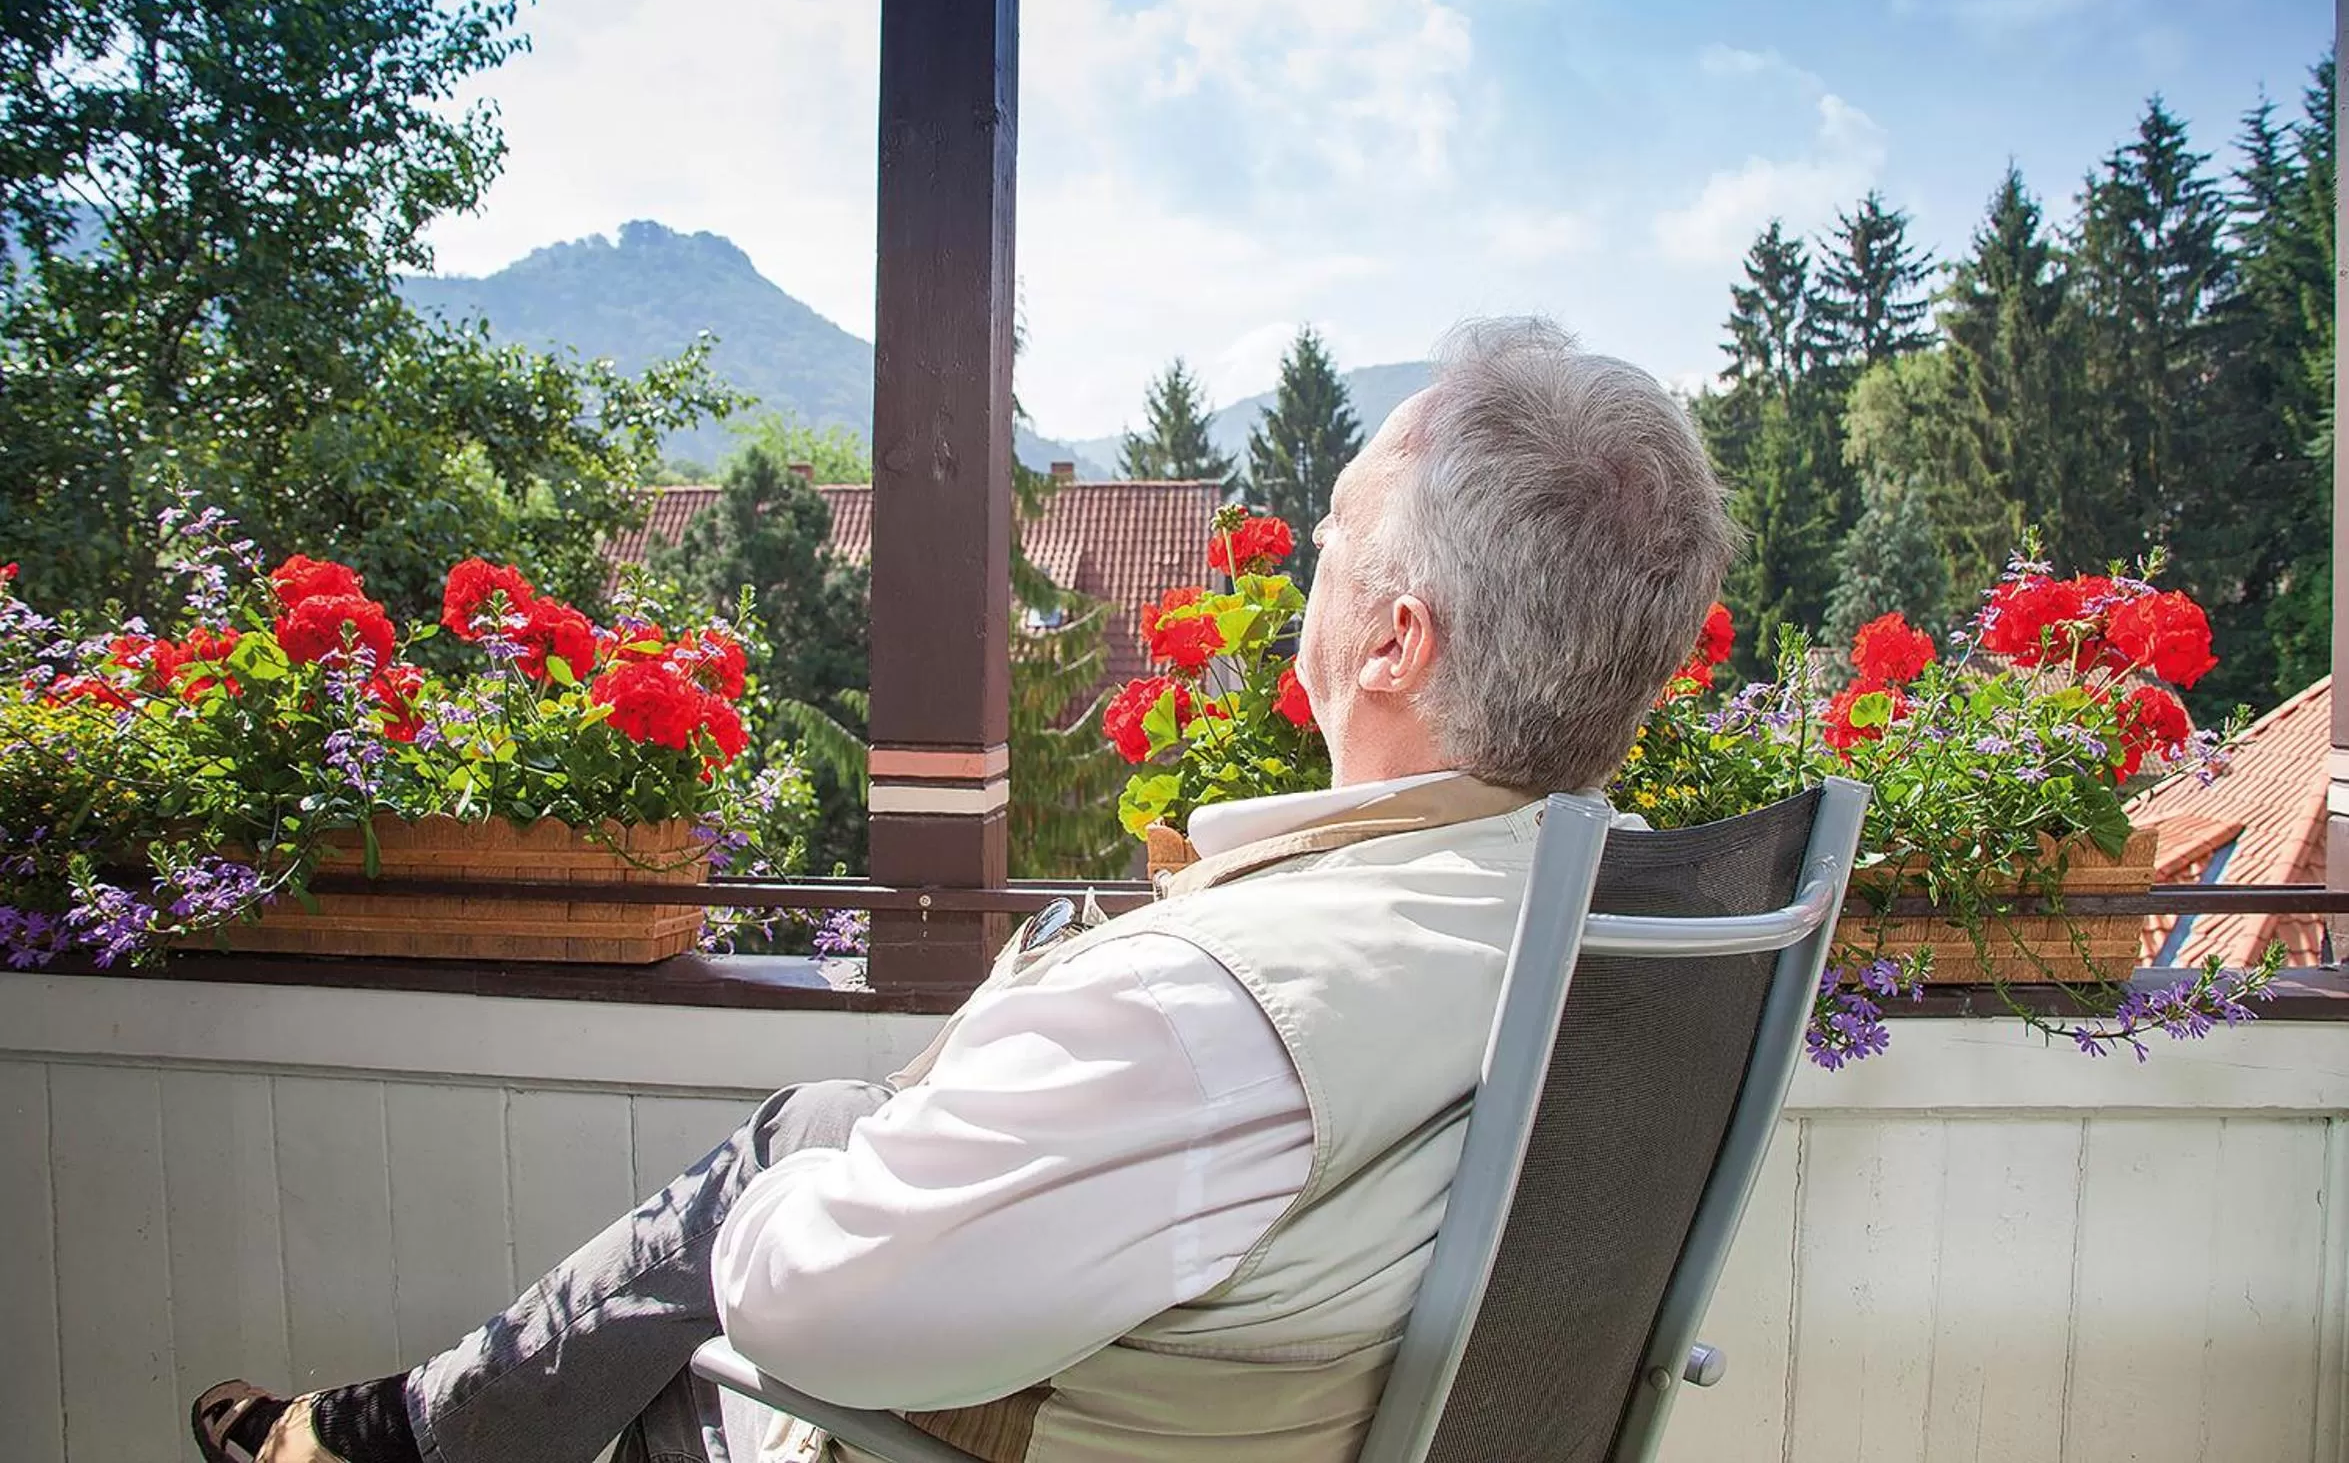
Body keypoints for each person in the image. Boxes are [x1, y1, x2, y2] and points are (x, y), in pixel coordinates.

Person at [192, 316, 1737, 1463]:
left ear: (1395, 640)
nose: (1308, 561)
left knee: (716, 1276)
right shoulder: (1603, 917)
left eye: (1327, 533)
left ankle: (386, 1438)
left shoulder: (1222, 1012)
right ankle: (383, 1433)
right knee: (807, 1134)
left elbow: (796, 1307)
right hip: (1254, 1386)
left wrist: (765, 1202)